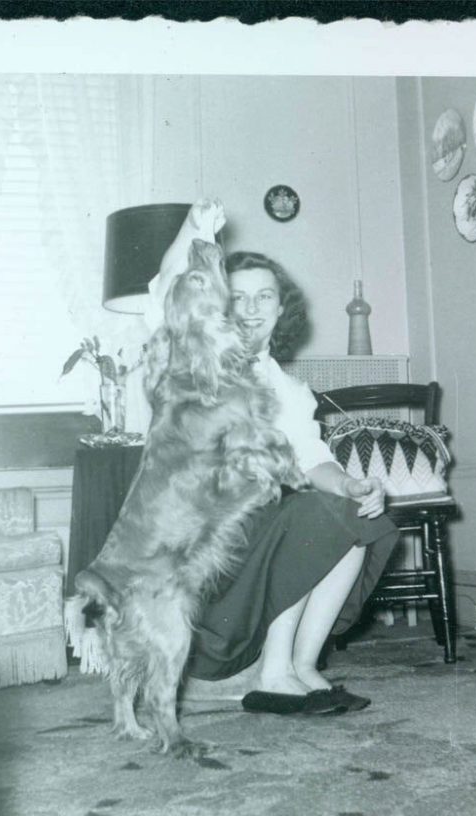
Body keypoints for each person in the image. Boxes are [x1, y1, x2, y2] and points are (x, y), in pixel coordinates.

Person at [146, 199, 398, 713]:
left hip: (258, 525)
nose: (253, 307)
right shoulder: (196, 356)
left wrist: (352, 485)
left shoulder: (287, 388)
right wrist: (195, 230)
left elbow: (311, 458)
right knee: (303, 512)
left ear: (282, 309)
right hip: (203, 542)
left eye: (266, 296)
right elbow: (164, 289)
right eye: (238, 298)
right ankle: (273, 671)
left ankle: (303, 664)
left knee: (348, 513)